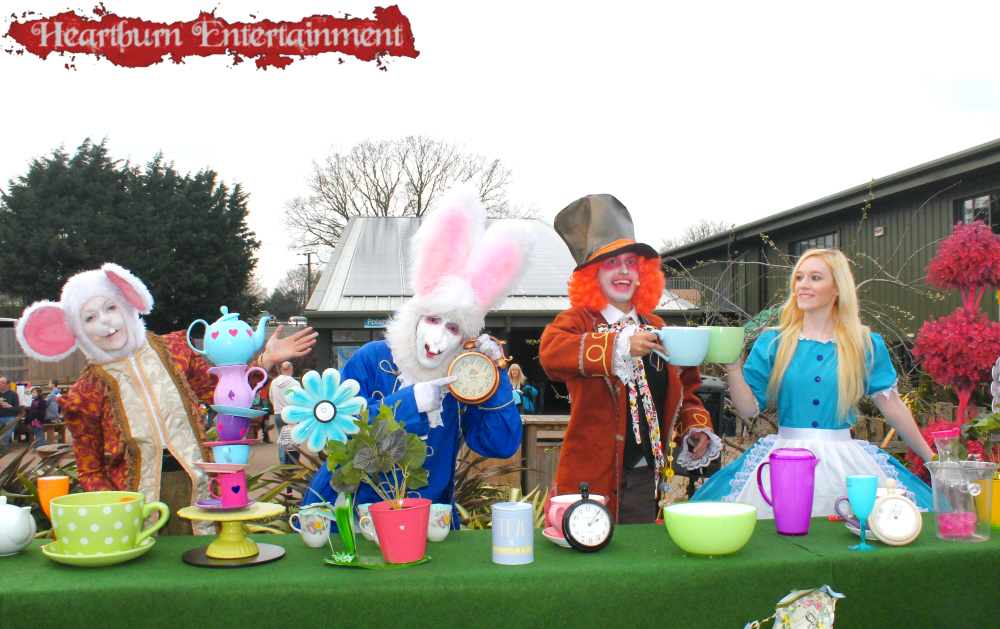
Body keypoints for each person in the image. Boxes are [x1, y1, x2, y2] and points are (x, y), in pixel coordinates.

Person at [16, 263, 317, 534]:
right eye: (90, 317)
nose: (106, 322)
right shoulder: (85, 391)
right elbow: (90, 468)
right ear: (78, 329)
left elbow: (223, 395)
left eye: (110, 307)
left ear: (127, 304)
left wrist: (265, 361)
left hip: (200, 492)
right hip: (137, 507)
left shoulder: (175, 349)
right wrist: (117, 514)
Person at [303, 185, 534, 521]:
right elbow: (339, 429)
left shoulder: (460, 382)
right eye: (433, 319)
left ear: (464, 338)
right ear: (415, 319)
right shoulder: (372, 359)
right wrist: (411, 403)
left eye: (453, 328)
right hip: (349, 519)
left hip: (429, 523)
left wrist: (492, 375)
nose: (437, 338)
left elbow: (499, 445)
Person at [692, 248, 934, 515]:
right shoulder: (773, 342)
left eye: (815, 277)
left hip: (845, 464)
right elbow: (748, 409)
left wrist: (933, 460)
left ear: (838, 288)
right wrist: (733, 369)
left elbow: (894, 408)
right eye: (799, 277)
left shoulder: (865, 345)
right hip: (783, 463)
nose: (803, 285)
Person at [540, 195, 721, 524]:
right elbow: (551, 354)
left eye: (631, 262)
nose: (623, 270)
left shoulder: (659, 327)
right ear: (593, 274)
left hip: (644, 480)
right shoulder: (578, 320)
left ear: (642, 273)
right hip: (587, 480)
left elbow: (686, 390)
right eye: (611, 262)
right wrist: (619, 345)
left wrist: (696, 428)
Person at [270, 361, 300, 465]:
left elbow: (271, 397)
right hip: (291, 414)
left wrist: (277, 406)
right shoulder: (295, 383)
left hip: (278, 413)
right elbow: (299, 400)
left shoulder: (274, 382)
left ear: (281, 370)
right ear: (291, 369)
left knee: (282, 438)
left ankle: (282, 462)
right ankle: (292, 463)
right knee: (294, 439)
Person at [0, 377, 20, 447]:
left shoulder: (13, 394)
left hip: (10, 417)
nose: (0, 384)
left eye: (2, 383)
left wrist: (9, 407)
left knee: (8, 430)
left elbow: (17, 409)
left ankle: (2, 445)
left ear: (8, 384)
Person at [26, 386, 46, 452]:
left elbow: (43, 412)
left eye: (34, 392)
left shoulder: (42, 401)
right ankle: (36, 447)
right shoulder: (33, 401)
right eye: (32, 392)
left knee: (39, 435)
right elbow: (31, 411)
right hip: (33, 420)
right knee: (36, 435)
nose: (32, 394)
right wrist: (30, 421)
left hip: (39, 420)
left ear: (38, 393)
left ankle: (40, 448)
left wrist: (41, 420)